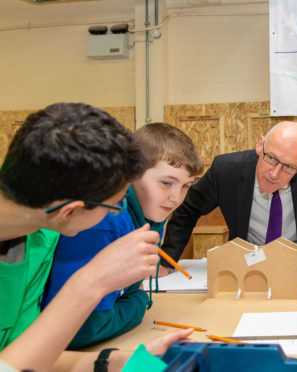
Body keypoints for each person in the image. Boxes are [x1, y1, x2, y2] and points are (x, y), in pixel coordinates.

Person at [0, 103, 192, 371]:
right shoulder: (46, 233)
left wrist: (119, 361)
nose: (117, 213)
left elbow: (22, 357)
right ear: (70, 212)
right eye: (115, 205)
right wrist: (90, 282)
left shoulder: (41, 235)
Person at [42, 123, 203, 349]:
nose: (176, 198)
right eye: (166, 183)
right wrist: (139, 301)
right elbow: (83, 329)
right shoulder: (105, 222)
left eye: (186, 186)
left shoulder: (151, 210)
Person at [160, 120, 297, 272]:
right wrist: (167, 261)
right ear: (259, 145)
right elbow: (188, 209)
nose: (275, 174)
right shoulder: (226, 172)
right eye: (271, 158)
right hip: (248, 265)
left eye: (289, 167)